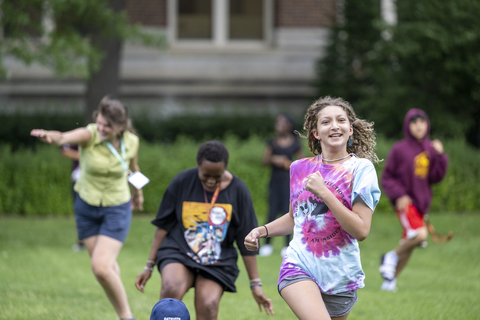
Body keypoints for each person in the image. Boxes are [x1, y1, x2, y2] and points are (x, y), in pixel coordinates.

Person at [244, 96, 381, 320]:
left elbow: (361, 230)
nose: (334, 125)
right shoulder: (299, 168)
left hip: (340, 275)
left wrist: (325, 193)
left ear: (350, 129)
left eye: (341, 120)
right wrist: (261, 231)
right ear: (316, 132)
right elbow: (294, 218)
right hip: (299, 265)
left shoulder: (361, 169)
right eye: (326, 122)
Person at [30, 96, 144, 320]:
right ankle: (123, 312)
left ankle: (126, 316)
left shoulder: (131, 142)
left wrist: (138, 194)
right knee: (106, 269)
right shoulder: (89, 134)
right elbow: (63, 137)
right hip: (86, 207)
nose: (101, 128)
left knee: (101, 268)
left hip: (116, 208)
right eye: (99, 122)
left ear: (120, 127)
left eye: (107, 126)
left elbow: (133, 168)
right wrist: (49, 136)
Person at [135, 140, 274, 320]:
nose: (211, 180)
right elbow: (163, 226)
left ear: (225, 168)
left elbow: (246, 239)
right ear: (198, 165)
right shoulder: (182, 181)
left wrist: (255, 284)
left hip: (218, 259)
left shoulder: (238, 190)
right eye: (206, 175)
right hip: (179, 251)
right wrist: (149, 266)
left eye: (217, 176)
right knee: (171, 288)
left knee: (208, 305)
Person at [379, 108, 448, 291]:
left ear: (427, 124)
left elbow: (435, 177)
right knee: (420, 235)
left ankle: (390, 281)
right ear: (408, 126)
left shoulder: (430, 150)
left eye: (422, 122)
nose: (419, 126)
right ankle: (390, 256)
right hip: (405, 203)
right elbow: (387, 177)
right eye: (414, 122)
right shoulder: (400, 149)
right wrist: (399, 194)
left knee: (410, 244)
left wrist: (441, 157)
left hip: (420, 204)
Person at [260, 114, 304, 257]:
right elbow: (264, 161)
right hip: (274, 181)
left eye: (281, 123)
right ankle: (267, 245)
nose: (277, 126)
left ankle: (287, 245)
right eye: (276, 123)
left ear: (289, 126)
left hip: (289, 182)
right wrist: (274, 159)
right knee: (271, 211)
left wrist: (287, 164)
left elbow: (302, 164)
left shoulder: (295, 143)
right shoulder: (272, 142)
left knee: (289, 211)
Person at [59, 144, 85, 251]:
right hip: (79, 180)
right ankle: (81, 242)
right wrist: (85, 156)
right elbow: (64, 150)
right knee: (80, 211)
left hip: (97, 182)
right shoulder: (80, 137)